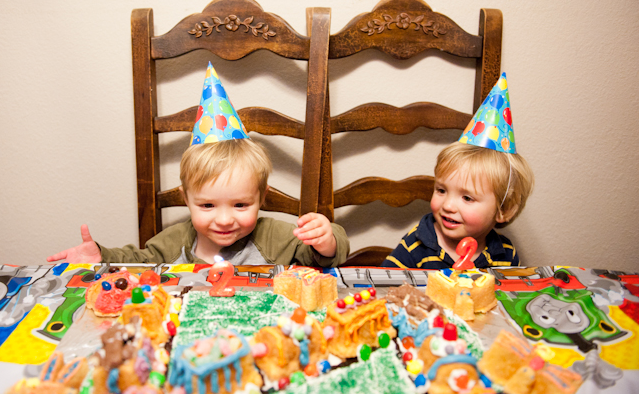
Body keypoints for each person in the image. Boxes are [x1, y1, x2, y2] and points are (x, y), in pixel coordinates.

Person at [47, 63, 349, 267]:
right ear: (186, 199)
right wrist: (101, 257)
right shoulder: (175, 241)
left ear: (262, 196)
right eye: (207, 206)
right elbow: (139, 262)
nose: (224, 219)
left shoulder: (276, 239)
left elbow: (327, 258)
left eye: (241, 205)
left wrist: (327, 240)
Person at [382, 73, 534, 269]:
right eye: (441, 190)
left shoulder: (506, 255)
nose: (448, 205)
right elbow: (384, 283)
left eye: (467, 198)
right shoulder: (415, 246)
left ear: (503, 209)